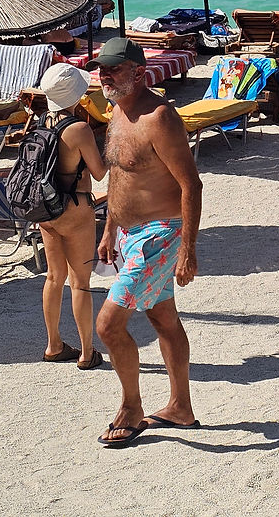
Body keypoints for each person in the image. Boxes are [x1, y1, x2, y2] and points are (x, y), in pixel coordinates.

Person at [94, 38, 203, 448]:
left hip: (161, 235)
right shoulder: (115, 111)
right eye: (102, 68)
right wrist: (109, 228)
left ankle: (131, 408)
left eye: (114, 69)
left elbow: (191, 184)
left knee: (107, 324)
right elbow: (120, 175)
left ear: (139, 72)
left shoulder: (159, 117)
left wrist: (187, 250)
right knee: (163, 319)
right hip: (128, 234)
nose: (105, 75)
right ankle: (180, 407)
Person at [36, 63, 107, 371]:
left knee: (54, 277)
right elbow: (99, 172)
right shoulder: (78, 128)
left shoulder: (40, 121)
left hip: (46, 209)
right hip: (75, 209)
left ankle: (53, 345)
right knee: (80, 283)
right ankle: (87, 352)